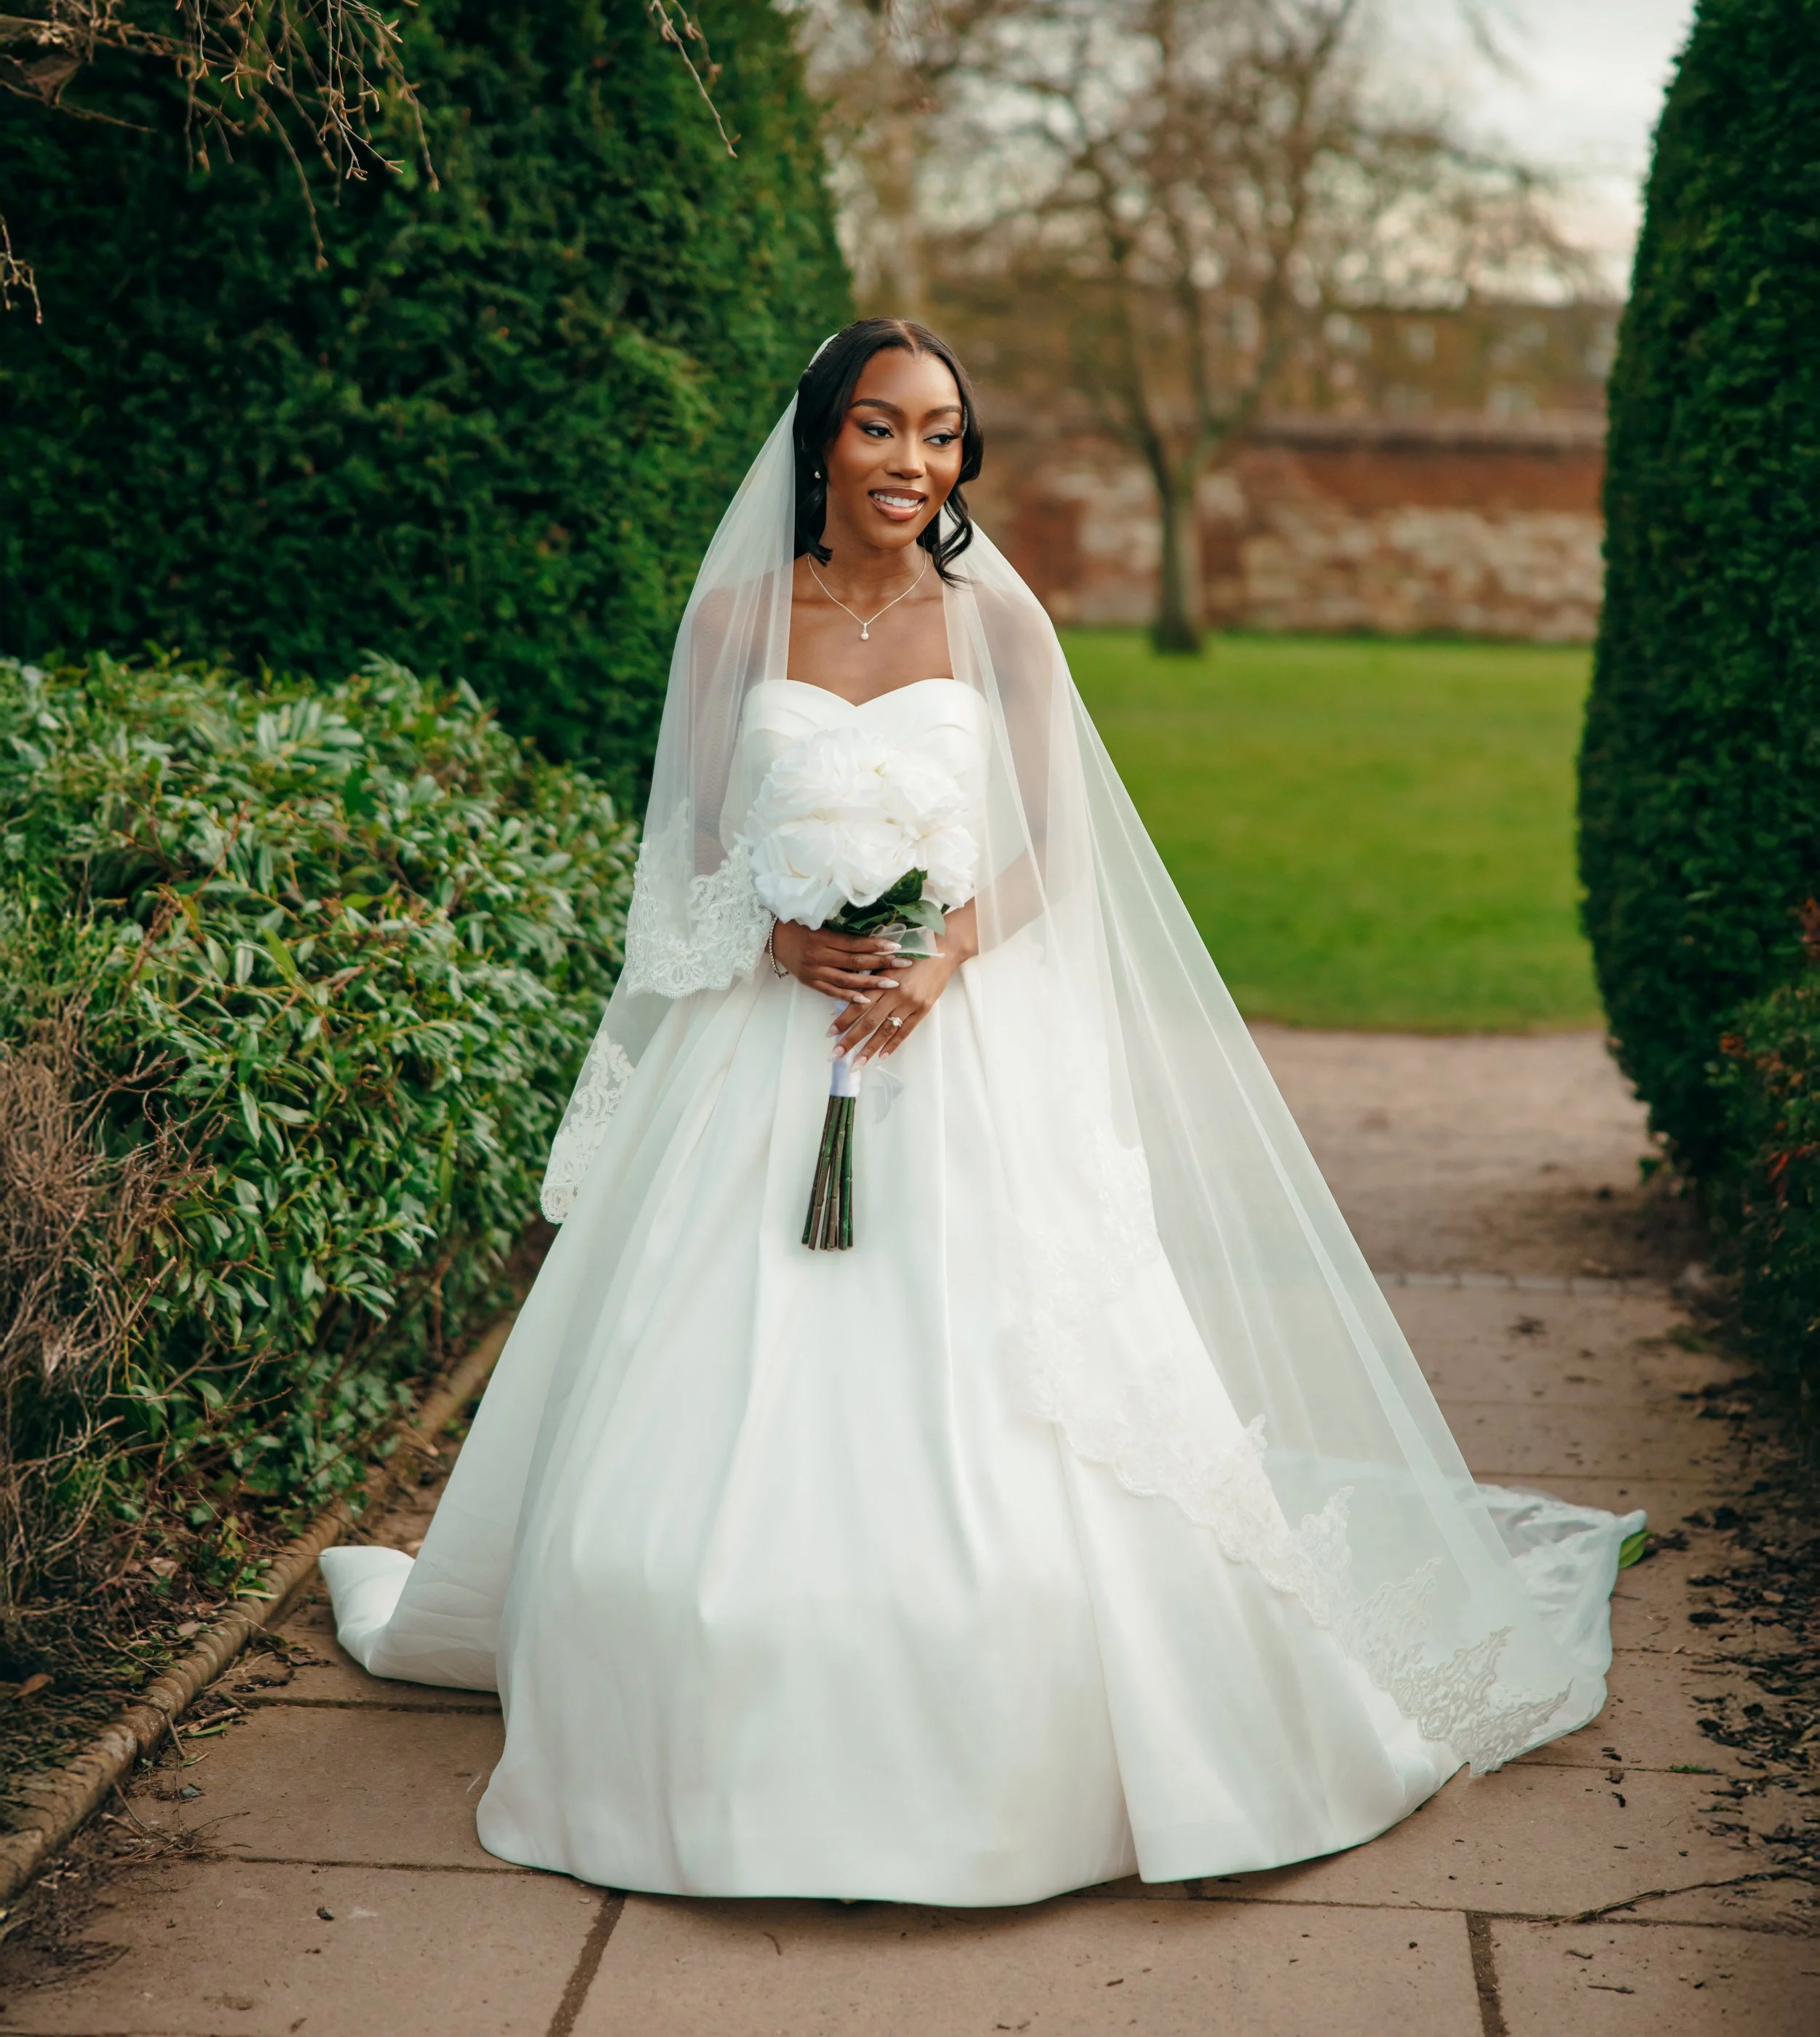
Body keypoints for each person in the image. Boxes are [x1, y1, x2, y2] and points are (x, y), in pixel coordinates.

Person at [322, 318, 1640, 1908]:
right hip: (764, 1049)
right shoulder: (736, 619)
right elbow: (678, 853)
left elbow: (1053, 854)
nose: (911, 463)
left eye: (940, 434)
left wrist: (942, 951)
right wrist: (773, 932)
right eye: (880, 428)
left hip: (956, 1049)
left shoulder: (995, 623)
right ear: (821, 442)